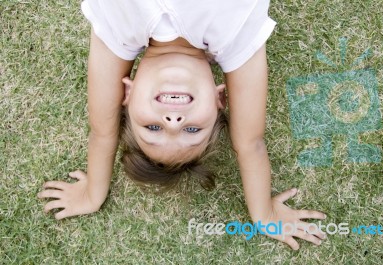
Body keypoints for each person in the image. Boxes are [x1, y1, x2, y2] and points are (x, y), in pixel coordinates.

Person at [38, 0, 327, 250]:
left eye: (152, 129)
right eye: (192, 130)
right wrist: (265, 216)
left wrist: (93, 194)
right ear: (220, 99)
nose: (173, 122)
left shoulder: (118, 29)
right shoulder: (236, 35)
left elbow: (102, 130)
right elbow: (250, 143)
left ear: (127, 93)